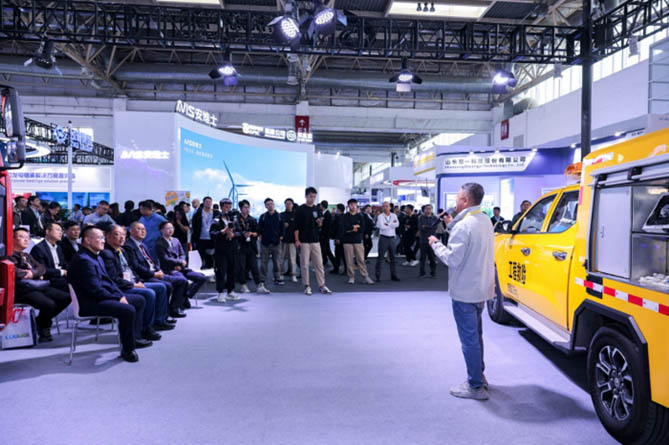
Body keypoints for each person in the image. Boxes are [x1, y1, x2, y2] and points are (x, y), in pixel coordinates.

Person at [428, 183, 494, 401]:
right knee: (476, 336)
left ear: (465, 200)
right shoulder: (484, 220)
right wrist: (451, 226)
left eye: (457, 198)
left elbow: (452, 259)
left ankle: (475, 386)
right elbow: (468, 243)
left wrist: (436, 244)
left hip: (465, 291)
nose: (455, 202)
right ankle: (479, 377)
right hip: (481, 289)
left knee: (469, 340)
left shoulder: (464, 226)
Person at [68, 226, 151, 363]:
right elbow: (94, 290)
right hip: (89, 303)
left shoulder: (95, 256)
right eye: (100, 238)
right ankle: (128, 350)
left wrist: (120, 295)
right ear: (87, 240)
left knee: (140, 300)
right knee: (128, 310)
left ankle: (134, 338)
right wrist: (117, 298)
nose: (103, 241)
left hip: (100, 297)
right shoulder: (83, 260)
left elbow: (109, 281)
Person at [101, 225, 171, 336]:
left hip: (133, 281)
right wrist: (133, 285)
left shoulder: (122, 250)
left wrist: (138, 281)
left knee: (161, 287)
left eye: (123, 235)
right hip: (122, 287)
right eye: (118, 235)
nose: (122, 237)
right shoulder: (106, 253)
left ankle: (158, 321)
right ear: (108, 237)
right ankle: (146, 328)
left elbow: (131, 269)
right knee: (149, 293)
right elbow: (114, 278)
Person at [9, 228, 70, 342]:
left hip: (37, 286)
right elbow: (16, 273)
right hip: (21, 290)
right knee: (49, 304)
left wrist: (33, 273)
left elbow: (42, 268)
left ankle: (40, 322)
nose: (26, 240)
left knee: (65, 297)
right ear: (12, 239)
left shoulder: (27, 255)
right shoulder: (8, 256)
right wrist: (35, 274)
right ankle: (44, 327)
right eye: (22, 237)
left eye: (28, 237)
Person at [124, 221, 186, 320]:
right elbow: (136, 266)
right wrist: (153, 274)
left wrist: (158, 269)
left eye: (144, 229)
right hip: (145, 276)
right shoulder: (128, 246)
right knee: (167, 285)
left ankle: (172, 309)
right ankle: (162, 316)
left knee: (181, 281)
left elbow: (151, 261)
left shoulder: (143, 245)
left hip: (155, 272)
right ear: (131, 231)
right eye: (139, 229)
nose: (142, 231)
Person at [155, 221, 206, 309]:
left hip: (182, 268)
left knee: (201, 278)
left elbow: (182, 254)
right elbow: (165, 259)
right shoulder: (159, 243)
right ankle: (178, 304)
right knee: (183, 280)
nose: (170, 230)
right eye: (168, 228)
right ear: (161, 230)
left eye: (172, 228)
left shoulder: (176, 240)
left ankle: (185, 296)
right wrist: (179, 262)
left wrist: (181, 262)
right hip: (170, 269)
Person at [294, 187, 332, 296]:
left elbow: (320, 225)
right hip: (304, 241)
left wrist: (320, 222)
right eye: (310, 196)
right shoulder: (300, 209)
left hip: (315, 240)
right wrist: (297, 240)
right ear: (306, 196)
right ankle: (306, 286)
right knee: (305, 265)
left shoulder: (317, 209)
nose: (312, 198)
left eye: (314, 197)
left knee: (319, 264)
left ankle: (322, 285)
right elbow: (296, 226)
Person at [210, 198, 239, 302]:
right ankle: (220, 292)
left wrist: (233, 234)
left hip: (232, 249)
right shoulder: (216, 219)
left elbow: (240, 232)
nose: (228, 209)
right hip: (221, 250)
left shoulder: (234, 219)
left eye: (230, 207)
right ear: (221, 207)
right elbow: (212, 234)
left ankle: (230, 291)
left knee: (232, 270)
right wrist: (223, 231)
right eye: (226, 207)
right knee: (221, 272)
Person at [341, 199, 374, 284]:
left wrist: (351, 229)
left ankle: (365, 276)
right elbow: (345, 228)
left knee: (361, 259)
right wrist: (354, 227)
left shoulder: (360, 216)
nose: (353, 206)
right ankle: (351, 276)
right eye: (351, 204)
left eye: (354, 204)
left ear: (356, 206)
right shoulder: (345, 216)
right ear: (348, 206)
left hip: (358, 240)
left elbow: (361, 228)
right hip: (347, 241)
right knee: (349, 260)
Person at [236, 199, 267, 294]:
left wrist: (252, 234)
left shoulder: (252, 220)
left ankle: (259, 285)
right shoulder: (236, 220)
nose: (247, 209)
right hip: (240, 246)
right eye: (245, 207)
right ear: (241, 208)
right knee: (241, 267)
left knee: (254, 267)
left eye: (248, 207)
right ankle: (243, 285)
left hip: (251, 246)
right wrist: (242, 234)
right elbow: (234, 232)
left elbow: (258, 232)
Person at [30, 222, 68, 291]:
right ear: (47, 231)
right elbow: (43, 269)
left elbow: (64, 264)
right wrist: (62, 272)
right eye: (58, 230)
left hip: (61, 278)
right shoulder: (39, 248)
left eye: (61, 231)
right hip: (49, 280)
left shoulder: (58, 247)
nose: (60, 233)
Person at [258, 198, 284, 288]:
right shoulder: (263, 216)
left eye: (271, 204)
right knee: (263, 262)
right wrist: (260, 237)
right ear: (265, 206)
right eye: (268, 204)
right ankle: (262, 279)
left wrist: (281, 237)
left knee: (277, 262)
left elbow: (282, 228)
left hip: (276, 243)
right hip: (265, 243)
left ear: (274, 204)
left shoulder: (279, 216)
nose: (270, 205)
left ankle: (277, 278)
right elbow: (259, 228)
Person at [375, 201, 400, 282]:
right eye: (384, 206)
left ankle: (394, 275)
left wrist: (387, 224)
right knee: (380, 257)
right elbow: (382, 227)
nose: (385, 208)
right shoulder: (380, 216)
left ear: (390, 207)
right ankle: (378, 276)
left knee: (393, 258)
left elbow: (397, 224)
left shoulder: (394, 215)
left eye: (387, 206)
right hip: (383, 238)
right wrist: (391, 225)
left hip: (392, 238)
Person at [191, 196, 217, 269]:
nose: (208, 203)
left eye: (210, 202)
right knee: (199, 257)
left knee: (210, 258)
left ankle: (210, 272)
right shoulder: (198, 213)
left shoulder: (215, 213)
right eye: (207, 202)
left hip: (211, 239)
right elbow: (194, 225)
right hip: (200, 238)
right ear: (203, 203)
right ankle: (199, 272)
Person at [418, 204, 439, 278]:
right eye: (426, 209)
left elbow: (434, 228)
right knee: (422, 258)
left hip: (432, 240)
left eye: (429, 208)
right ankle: (422, 273)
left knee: (432, 258)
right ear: (424, 210)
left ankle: (433, 273)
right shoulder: (420, 218)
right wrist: (429, 227)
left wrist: (425, 226)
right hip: (423, 240)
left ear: (432, 209)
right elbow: (420, 228)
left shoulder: (435, 218)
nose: (428, 210)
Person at [280, 198, 298, 283]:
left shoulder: (296, 215)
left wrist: (297, 239)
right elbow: (278, 226)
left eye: (290, 203)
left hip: (292, 240)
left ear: (292, 205)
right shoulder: (281, 215)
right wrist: (283, 226)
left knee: (292, 259)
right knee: (281, 258)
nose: (288, 205)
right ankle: (281, 274)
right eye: (286, 203)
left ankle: (293, 275)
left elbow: (298, 228)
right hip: (283, 240)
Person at [319, 200, 336, 271]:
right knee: (325, 250)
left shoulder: (327, 214)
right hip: (323, 235)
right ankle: (327, 262)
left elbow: (327, 226)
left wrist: (324, 233)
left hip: (325, 235)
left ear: (321, 205)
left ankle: (335, 265)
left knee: (326, 250)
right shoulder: (323, 213)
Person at [331, 203, 347, 275]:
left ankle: (345, 269)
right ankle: (337, 268)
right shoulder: (340, 216)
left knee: (341, 254)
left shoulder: (340, 217)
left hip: (340, 238)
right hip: (340, 238)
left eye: (336, 208)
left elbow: (340, 228)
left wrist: (338, 238)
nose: (335, 210)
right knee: (338, 253)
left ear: (339, 209)